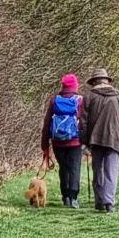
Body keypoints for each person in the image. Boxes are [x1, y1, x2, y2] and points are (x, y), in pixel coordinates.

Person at [82, 68, 119, 213]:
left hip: (95, 139)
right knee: (111, 170)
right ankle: (109, 202)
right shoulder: (118, 96)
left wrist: (85, 142)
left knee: (98, 170)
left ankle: (99, 201)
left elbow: (83, 122)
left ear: (94, 82)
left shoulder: (89, 96)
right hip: (114, 138)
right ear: (107, 81)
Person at [40, 74, 85, 208]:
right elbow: (84, 121)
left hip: (57, 141)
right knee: (74, 168)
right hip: (75, 141)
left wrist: (44, 144)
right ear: (75, 86)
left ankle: (65, 196)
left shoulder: (55, 100)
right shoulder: (80, 100)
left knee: (63, 168)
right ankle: (73, 197)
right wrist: (87, 139)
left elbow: (47, 121)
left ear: (63, 86)